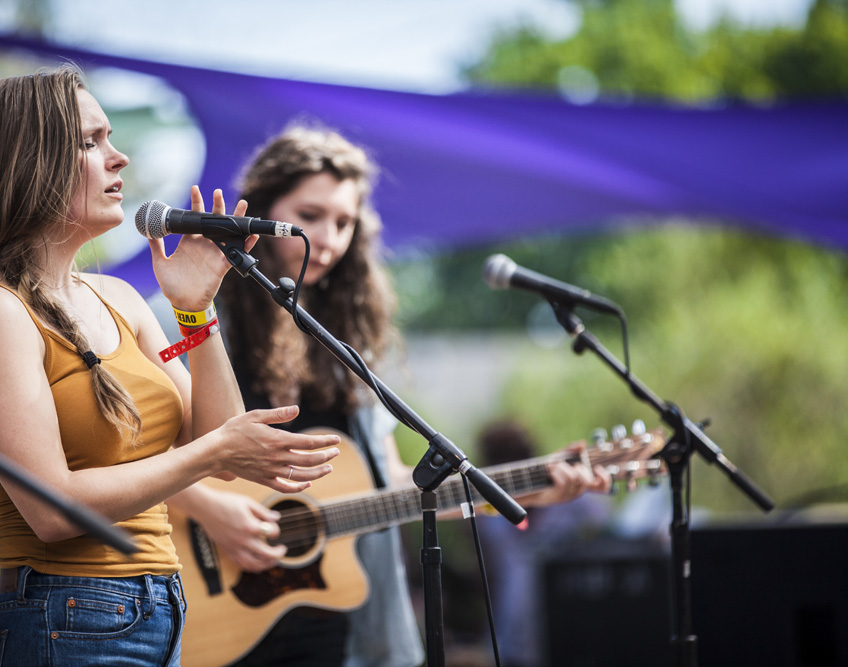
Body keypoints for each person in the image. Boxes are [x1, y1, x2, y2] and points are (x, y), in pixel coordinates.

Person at [0, 65, 341, 667]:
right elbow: (51, 509)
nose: (119, 157)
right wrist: (213, 454)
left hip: (162, 615)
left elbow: (213, 439)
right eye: (90, 142)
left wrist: (194, 311)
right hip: (61, 619)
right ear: (29, 163)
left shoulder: (120, 300)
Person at [167, 125, 612, 667]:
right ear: (261, 212)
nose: (328, 238)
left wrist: (524, 490)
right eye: (310, 216)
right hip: (217, 610)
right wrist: (213, 511)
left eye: (345, 222)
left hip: (331, 621)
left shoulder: (346, 345)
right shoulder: (199, 319)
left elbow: (395, 486)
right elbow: (134, 454)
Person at [475, 420, 612, 667]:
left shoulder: (576, 504)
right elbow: (491, 576)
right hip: (507, 643)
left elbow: (607, 536)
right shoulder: (489, 518)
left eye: (515, 457)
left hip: (568, 637)